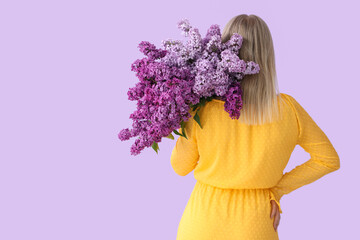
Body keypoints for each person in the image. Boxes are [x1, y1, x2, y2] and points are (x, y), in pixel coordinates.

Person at [170, 14, 340, 240]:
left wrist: (184, 115)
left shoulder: (202, 109)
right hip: (256, 225)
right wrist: (277, 190)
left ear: (222, 50)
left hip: (201, 223)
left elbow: (180, 167)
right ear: (268, 56)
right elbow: (328, 160)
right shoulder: (289, 110)